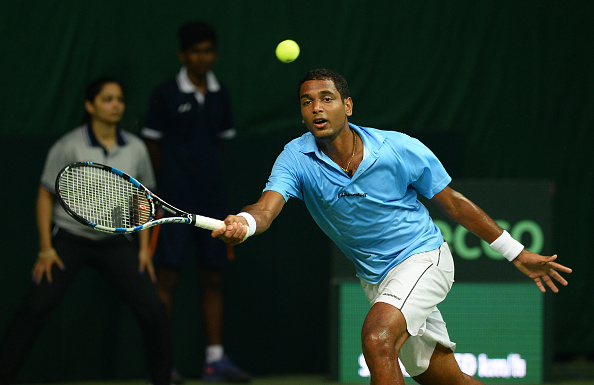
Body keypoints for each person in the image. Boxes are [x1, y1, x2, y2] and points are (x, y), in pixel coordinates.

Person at [213, 68, 573, 385]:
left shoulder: (398, 148)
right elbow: (266, 208)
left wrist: (516, 252)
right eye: (307, 102)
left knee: (377, 337)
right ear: (302, 114)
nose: (317, 108)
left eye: (327, 98)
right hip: (376, 278)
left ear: (348, 106)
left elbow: (454, 205)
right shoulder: (295, 157)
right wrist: (244, 222)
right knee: (442, 378)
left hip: (423, 258)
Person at [0, 78, 171, 385]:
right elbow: (44, 195)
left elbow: (142, 201)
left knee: (154, 309)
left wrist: (144, 250)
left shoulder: (136, 148)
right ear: (90, 106)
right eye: (107, 99)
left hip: (117, 242)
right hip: (68, 239)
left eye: (119, 99)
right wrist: (45, 248)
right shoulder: (67, 146)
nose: (116, 105)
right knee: (37, 305)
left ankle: (161, 378)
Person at [141, 20, 250, 383]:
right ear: (183, 55)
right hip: (172, 204)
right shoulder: (164, 95)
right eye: (195, 51)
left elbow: (218, 142)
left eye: (208, 51)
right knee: (167, 279)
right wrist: (172, 187)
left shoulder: (222, 95)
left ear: (214, 54)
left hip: (213, 204)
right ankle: (163, 365)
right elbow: (154, 146)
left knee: (213, 278)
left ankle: (214, 361)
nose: (202, 58)